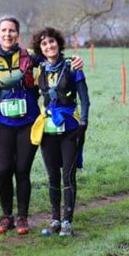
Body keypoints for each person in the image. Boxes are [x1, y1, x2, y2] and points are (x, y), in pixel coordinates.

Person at [0, 16, 84, 235]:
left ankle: (22, 217)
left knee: (22, 170)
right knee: (4, 169)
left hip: (29, 123)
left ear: (17, 34)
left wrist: (76, 61)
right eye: (3, 30)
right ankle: (6, 216)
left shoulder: (31, 57)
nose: (7, 34)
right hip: (3, 122)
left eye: (12, 30)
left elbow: (55, 59)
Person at [30, 27, 90, 237]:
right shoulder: (40, 69)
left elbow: (85, 97)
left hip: (70, 129)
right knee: (52, 176)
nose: (49, 46)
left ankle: (67, 221)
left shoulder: (72, 66)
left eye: (52, 42)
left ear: (59, 43)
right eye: (44, 44)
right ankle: (55, 220)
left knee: (68, 175)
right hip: (48, 129)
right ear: (41, 48)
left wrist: (84, 122)